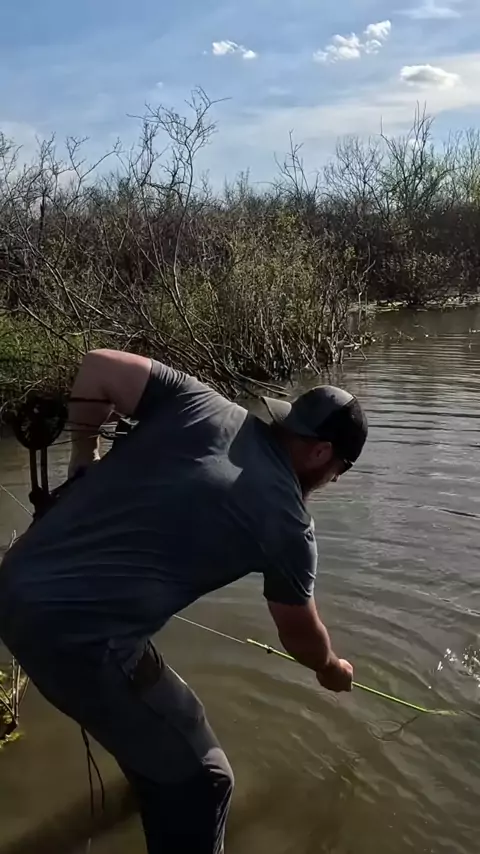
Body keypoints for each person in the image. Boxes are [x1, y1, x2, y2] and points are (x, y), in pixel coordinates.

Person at [0, 349, 368, 853]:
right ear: (322, 454)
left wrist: (84, 457)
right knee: (205, 782)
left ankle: (150, 779)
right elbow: (298, 634)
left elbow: (98, 367)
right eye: (340, 470)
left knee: (179, 717)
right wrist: (330, 668)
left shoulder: (201, 403)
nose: (334, 481)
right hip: (76, 638)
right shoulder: (288, 523)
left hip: (16, 581)